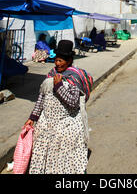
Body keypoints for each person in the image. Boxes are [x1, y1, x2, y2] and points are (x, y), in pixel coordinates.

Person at [24, 40, 93, 174]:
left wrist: (58, 86)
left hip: (67, 122)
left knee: (64, 153)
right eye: (56, 60)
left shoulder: (74, 76)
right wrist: (32, 117)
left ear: (69, 61)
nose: (57, 63)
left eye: (61, 61)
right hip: (47, 121)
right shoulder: (51, 74)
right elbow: (41, 98)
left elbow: (73, 103)